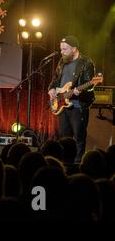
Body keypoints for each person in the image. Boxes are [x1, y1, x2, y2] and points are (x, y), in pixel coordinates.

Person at [48, 35, 95, 163]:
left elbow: (89, 85)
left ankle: (78, 164)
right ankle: (65, 163)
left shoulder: (86, 62)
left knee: (79, 138)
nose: (62, 52)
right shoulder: (62, 61)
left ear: (74, 49)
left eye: (65, 49)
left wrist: (80, 91)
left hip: (78, 105)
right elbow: (55, 79)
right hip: (62, 104)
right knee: (64, 138)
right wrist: (51, 88)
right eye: (61, 49)